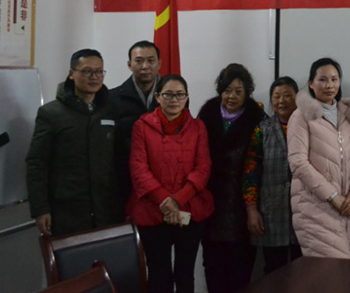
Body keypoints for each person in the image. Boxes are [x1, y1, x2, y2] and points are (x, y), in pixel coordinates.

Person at [127, 74, 213, 293]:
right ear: (157, 97)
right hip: (152, 211)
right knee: (158, 276)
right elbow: (138, 168)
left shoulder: (198, 127)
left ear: (187, 97)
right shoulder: (142, 126)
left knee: (185, 274)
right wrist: (165, 200)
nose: (174, 100)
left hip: (190, 210)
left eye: (179, 95)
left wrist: (177, 200)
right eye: (168, 94)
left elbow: (203, 168)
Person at [26, 48, 123, 237]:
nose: (94, 77)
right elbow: (36, 163)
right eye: (87, 71)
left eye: (99, 71)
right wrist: (40, 209)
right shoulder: (51, 113)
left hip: (107, 209)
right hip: (67, 211)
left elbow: (119, 160)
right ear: (72, 74)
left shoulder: (110, 111)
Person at [287, 57, 350, 258]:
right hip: (315, 208)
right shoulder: (301, 116)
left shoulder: (348, 115)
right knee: (330, 271)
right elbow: (298, 163)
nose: (329, 85)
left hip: (347, 208)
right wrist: (333, 196)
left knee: (345, 269)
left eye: (334, 79)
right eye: (322, 79)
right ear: (311, 83)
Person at [197, 63, 266, 293]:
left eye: (238, 91)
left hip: (243, 207)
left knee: (240, 272)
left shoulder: (257, 118)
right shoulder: (207, 113)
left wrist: (253, 207)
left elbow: (259, 165)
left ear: (247, 92)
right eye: (227, 91)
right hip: (211, 206)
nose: (231, 96)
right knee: (213, 269)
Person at [243, 76, 302, 274]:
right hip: (271, 214)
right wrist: (252, 210)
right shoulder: (262, 130)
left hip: (303, 213)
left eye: (287, 95)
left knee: (305, 273)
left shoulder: (309, 128)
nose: (281, 101)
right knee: (274, 272)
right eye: (276, 96)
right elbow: (250, 173)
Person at [112, 40, 162, 202]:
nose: (145, 66)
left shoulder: (174, 97)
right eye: (139, 61)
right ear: (129, 65)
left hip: (164, 179)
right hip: (126, 180)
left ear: (159, 63)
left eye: (151, 60)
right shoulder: (113, 98)